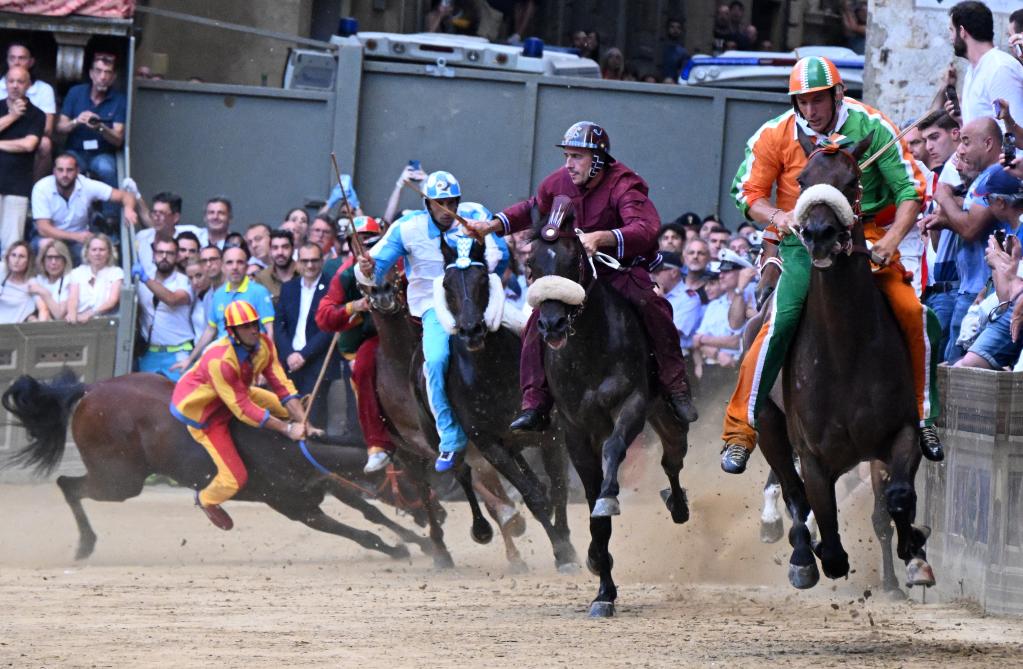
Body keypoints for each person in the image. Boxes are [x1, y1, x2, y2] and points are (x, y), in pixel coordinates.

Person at [722, 56, 941, 475]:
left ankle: (924, 417)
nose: (810, 110)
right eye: (802, 102)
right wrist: (778, 217)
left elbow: (910, 191)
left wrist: (892, 240)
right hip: (802, 243)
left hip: (867, 239)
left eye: (817, 100)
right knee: (778, 323)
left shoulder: (874, 126)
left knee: (918, 314)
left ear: (838, 94)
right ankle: (740, 431)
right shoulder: (773, 134)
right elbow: (747, 193)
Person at [467, 121, 699, 431]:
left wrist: (602, 237)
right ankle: (535, 403)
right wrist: (492, 225)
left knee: (652, 306)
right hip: (571, 272)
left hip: (618, 268)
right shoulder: (557, 183)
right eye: (567, 156)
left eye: (577, 156)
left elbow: (644, 229)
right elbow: (534, 207)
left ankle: (675, 386)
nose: (569, 164)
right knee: (537, 321)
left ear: (598, 160)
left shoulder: (625, 185)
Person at [356, 171, 501, 472]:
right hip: (436, 307)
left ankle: (538, 407)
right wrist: (367, 268)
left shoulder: (476, 214)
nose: (447, 209)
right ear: (427, 204)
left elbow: (500, 254)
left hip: (478, 296)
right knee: (434, 360)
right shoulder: (406, 228)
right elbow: (375, 270)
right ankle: (449, 436)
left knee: (526, 329)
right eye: (440, 203)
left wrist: (480, 245)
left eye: (452, 201)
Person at [170, 300, 307, 530]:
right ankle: (206, 499)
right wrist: (286, 429)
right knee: (235, 478)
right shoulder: (220, 360)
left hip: (234, 392)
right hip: (206, 412)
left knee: (285, 407)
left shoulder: (264, 344)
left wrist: (302, 420)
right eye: (246, 326)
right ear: (232, 332)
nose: (254, 329)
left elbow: (281, 385)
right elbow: (244, 410)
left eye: (254, 323)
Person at [316, 215, 394, 473]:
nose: (366, 250)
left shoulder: (399, 262)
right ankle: (377, 444)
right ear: (351, 248)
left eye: (372, 243)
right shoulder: (345, 275)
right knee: (362, 368)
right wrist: (355, 306)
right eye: (359, 244)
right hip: (369, 339)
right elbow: (324, 317)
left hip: (404, 329)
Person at [926, 117, 1006, 362]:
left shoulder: (995, 177)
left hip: (978, 291)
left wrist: (943, 195)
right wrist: (944, 219)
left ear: (989, 143)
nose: (960, 149)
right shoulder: (981, 179)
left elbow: (971, 229)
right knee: (948, 365)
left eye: (967, 142)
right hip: (967, 288)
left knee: (954, 370)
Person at [954, 170, 1023, 369]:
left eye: (987, 199)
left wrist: (995, 263)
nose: (987, 205)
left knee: (963, 369)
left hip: (1012, 312)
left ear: (1001, 202)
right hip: (1008, 309)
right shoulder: (1012, 228)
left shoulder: (1019, 233)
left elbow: (1006, 296)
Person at [173, 245, 275, 373]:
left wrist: (266, 366)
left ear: (247, 266)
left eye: (240, 262)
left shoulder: (259, 292)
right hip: (224, 362)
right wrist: (190, 359)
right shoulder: (218, 294)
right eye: (229, 262)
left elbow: (270, 331)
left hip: (252, 363)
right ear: (223, 267)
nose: (235, 267)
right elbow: (210, 330)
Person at [274, 242, 340, 428]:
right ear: (297, 262)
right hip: (289, 363)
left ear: (322, 260)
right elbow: (279, 326)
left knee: (314, 416)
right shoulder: (289, 288)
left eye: (314, 260)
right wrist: (289, 354)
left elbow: (330, 327)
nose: (310, 265)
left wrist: (304, 355)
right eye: (305, 261)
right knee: (288, 413)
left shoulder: (332, 287)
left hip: (317, 362)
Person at [31, 153, 138, 260]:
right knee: (46, 245)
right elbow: (43, 229)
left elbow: (126, 196)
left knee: (95, 251)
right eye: (60, 170)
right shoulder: (41, 188)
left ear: (77, 171)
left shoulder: (87, 185)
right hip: (51, 237)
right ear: (54, 171)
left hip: (80, 241)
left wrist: (128, 209)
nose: (64, 174)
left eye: (69, 170)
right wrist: (75, 236)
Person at [917, 110, 962, 355]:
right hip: (939, 283)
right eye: (925, 140)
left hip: (954, 283)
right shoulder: (945, 171)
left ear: (955, 134)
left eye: (935, 137)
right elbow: (937, 241)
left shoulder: (958, 168)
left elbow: (971, 223)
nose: (929, 146)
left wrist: (941, 214)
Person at [946, 1, 1023, 127]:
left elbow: (1016, 135)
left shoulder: (1000, 68)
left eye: (951, 30)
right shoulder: (972, 71)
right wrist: (962, 120)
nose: (950, 38)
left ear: (962, 31)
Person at [56, 53, 126, 191]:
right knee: (65, 166)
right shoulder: (76, 92)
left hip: (102, 153)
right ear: (91, 74)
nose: (103, 77)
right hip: (75, 150)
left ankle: (110, 212)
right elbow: (60, 127)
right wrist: (76, 121)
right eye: (99, 71)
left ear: (113, 77)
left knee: (106, 168)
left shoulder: (119, 100)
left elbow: (118, 139)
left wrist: (100, 127)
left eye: (107, 73)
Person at [132, 237, 194, 380]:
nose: (164, 257)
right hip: (149, 353)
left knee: (181, 400)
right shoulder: (142, 280)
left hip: (179, 352)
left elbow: (172, 299)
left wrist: (145, 278)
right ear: (153, 255)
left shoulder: (184, 280)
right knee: (148, 399)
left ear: (177, 256)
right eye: (160, 252)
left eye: (170, 253)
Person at [0, 65, 44, 254]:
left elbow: (29, 145)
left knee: (12, 247)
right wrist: (12, 116)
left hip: (17, 187)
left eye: (20, 81)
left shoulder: (37, 115)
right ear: (5, 84)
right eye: (11, 81)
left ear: (28, 85)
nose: (15, 85)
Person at [0, 42, 55, 181]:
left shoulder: (44, 89)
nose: (16, 62)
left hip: (30, 137)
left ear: (31, 62)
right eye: (12, 58)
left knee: (45, 143)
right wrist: (12, 117)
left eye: (21, 58)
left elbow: (47, 129)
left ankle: (34, 188)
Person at [133, 192, 201, 273]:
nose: (156, 218)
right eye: (154, 213)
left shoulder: (190, 238)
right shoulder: (141, 237)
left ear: (175, 217)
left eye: (162, 213)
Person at [66, 233, 122, 323]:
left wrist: (90, 314)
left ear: (109, 253)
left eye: (102, 250)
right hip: (79, 320)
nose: (97, 253)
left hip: (105, 321)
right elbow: (73, 298)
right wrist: (72, 314)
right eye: (94, 249)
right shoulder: (76, 272)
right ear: (87, 252)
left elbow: (112, 300)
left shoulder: (116, 272)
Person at [0, 241, 46, 322]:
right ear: (8, 258)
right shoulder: (2, 273)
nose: (16, 260)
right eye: (13, 255)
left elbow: (43, 309)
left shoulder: (31, 282)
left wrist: (40, 329)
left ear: (28, 261)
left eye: (21, 256)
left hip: (15, 330)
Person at [29, 239, 71, 320]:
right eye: (49, 257)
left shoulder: (70, 279)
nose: (53, 262)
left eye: (57, 257)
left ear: (65, 260)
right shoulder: (38, 280)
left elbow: (59, 314)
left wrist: (44, 292)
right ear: (43, 260)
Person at [255, 229, 297, 302]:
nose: (280, 252)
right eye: (275, 248)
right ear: (270, 251)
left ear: (293, 249)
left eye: (285, 247)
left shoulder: (304, 273)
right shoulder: (262, 278)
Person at [660, 18, 689, 83]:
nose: (675, 30)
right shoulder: (660, 48)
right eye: (672, 27)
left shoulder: (683, 52)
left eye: (678, 28)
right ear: (667, 29)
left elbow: (683, 71)